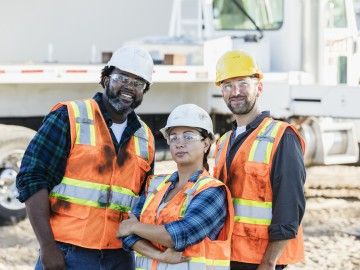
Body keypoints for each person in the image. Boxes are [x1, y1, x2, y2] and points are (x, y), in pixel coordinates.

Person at [16, 46, 155, 270]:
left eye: (138, 83)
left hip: (119, 256)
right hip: (67, 252)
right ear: (105, 79)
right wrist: (48, 247)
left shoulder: (145, 136)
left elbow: (142, 201)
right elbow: (32, 178)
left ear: (144, 91)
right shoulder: (69, 116)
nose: (129, 87)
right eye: (122, 78)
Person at [213, 50, 306, 270]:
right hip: (226, 255)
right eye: (227, 85)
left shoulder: (282, 136)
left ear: (259, 88)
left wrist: (269, 261)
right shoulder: (224, 142)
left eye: (243, 84)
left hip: (261, 261)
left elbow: (290, 205)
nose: (235, 92)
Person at [118, 104, 234, 270]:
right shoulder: (154, 186)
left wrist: (135, 227)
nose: (179, 143)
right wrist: (159, 255)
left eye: (188, 136)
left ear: (206, 144)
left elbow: (180, 235)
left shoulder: (212, 191)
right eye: (173, 137)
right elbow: (126, 235)